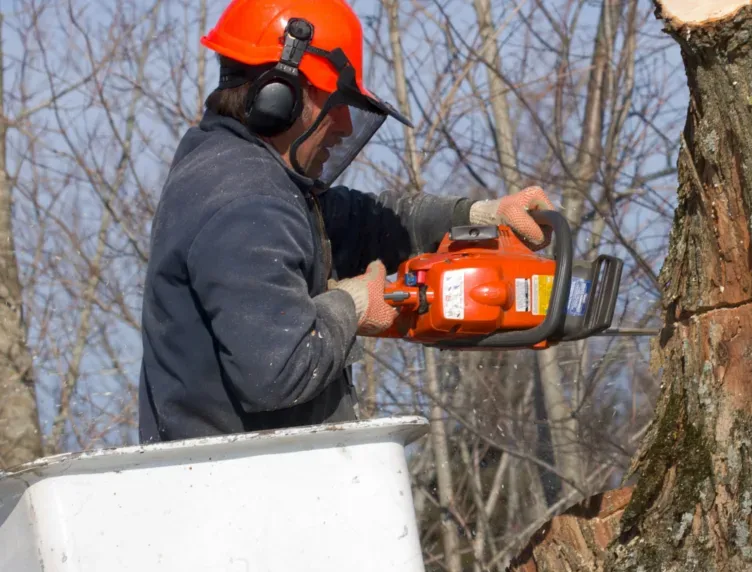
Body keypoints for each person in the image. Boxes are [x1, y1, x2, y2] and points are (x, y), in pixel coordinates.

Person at [137, 0, 554, 442]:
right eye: (336, 102)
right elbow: (280, 370)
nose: (345, 125)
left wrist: (479, 216)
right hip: (240, 478)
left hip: (251, 471)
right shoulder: (247, 204)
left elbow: (366, 222)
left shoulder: (243, 177)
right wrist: (351, 307)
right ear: (279, 96)